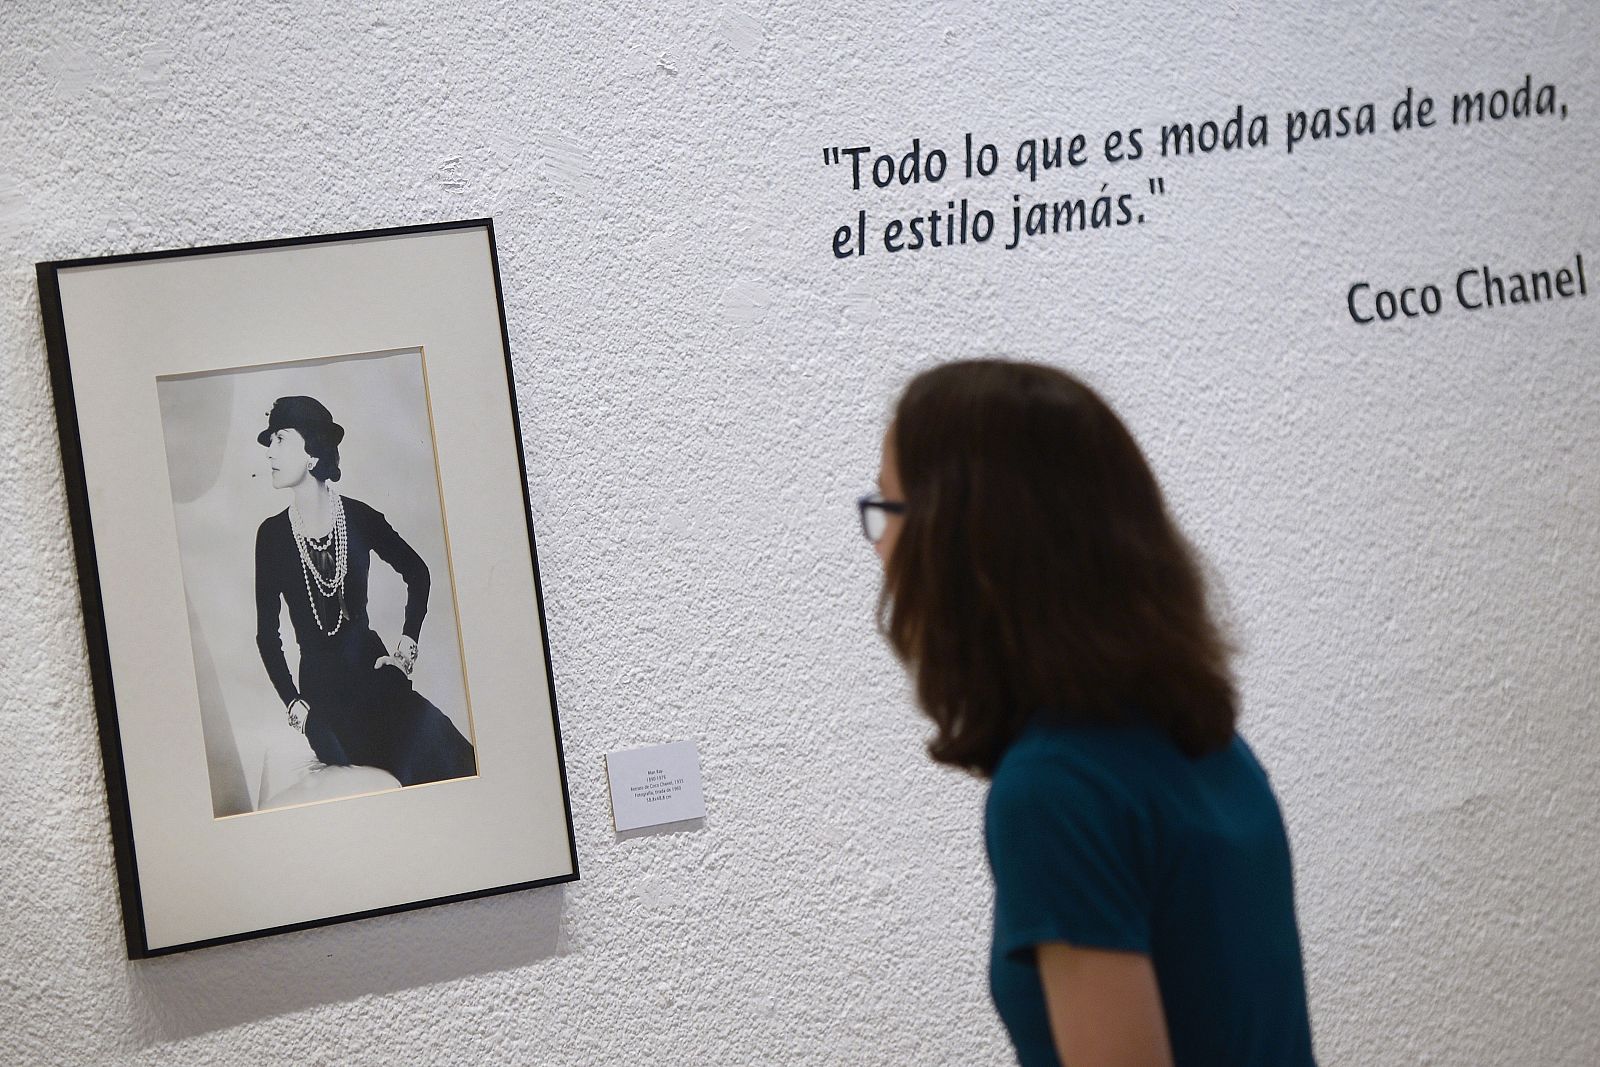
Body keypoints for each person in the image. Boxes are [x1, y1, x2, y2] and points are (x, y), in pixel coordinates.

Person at [860, 361, 1315, 1066]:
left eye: (889, 509)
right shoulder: (1204, 737)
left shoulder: (1056, 791)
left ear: (961, 542)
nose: (881, 545)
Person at [254, 395, 475, 791]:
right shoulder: (271, 536)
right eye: (270, 441)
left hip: (378, 681)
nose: (270, 451)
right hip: (325, 704)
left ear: (312, 454)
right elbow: (267, 636)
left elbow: (418, 572)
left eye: (280, 439)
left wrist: (405, 651)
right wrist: (296, 707)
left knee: (449, 752)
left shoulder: (359, 517)